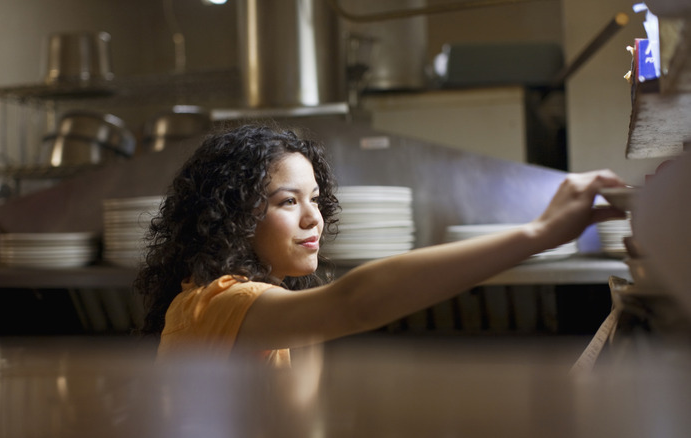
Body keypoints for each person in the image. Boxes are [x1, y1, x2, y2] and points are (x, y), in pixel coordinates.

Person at [134, 123, 626, 367]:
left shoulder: (263, 308)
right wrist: (537, 235)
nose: (314, 218)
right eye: (288, 202)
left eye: (316, 199)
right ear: (232, 214)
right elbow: (357, 302)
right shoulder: (212, 304)